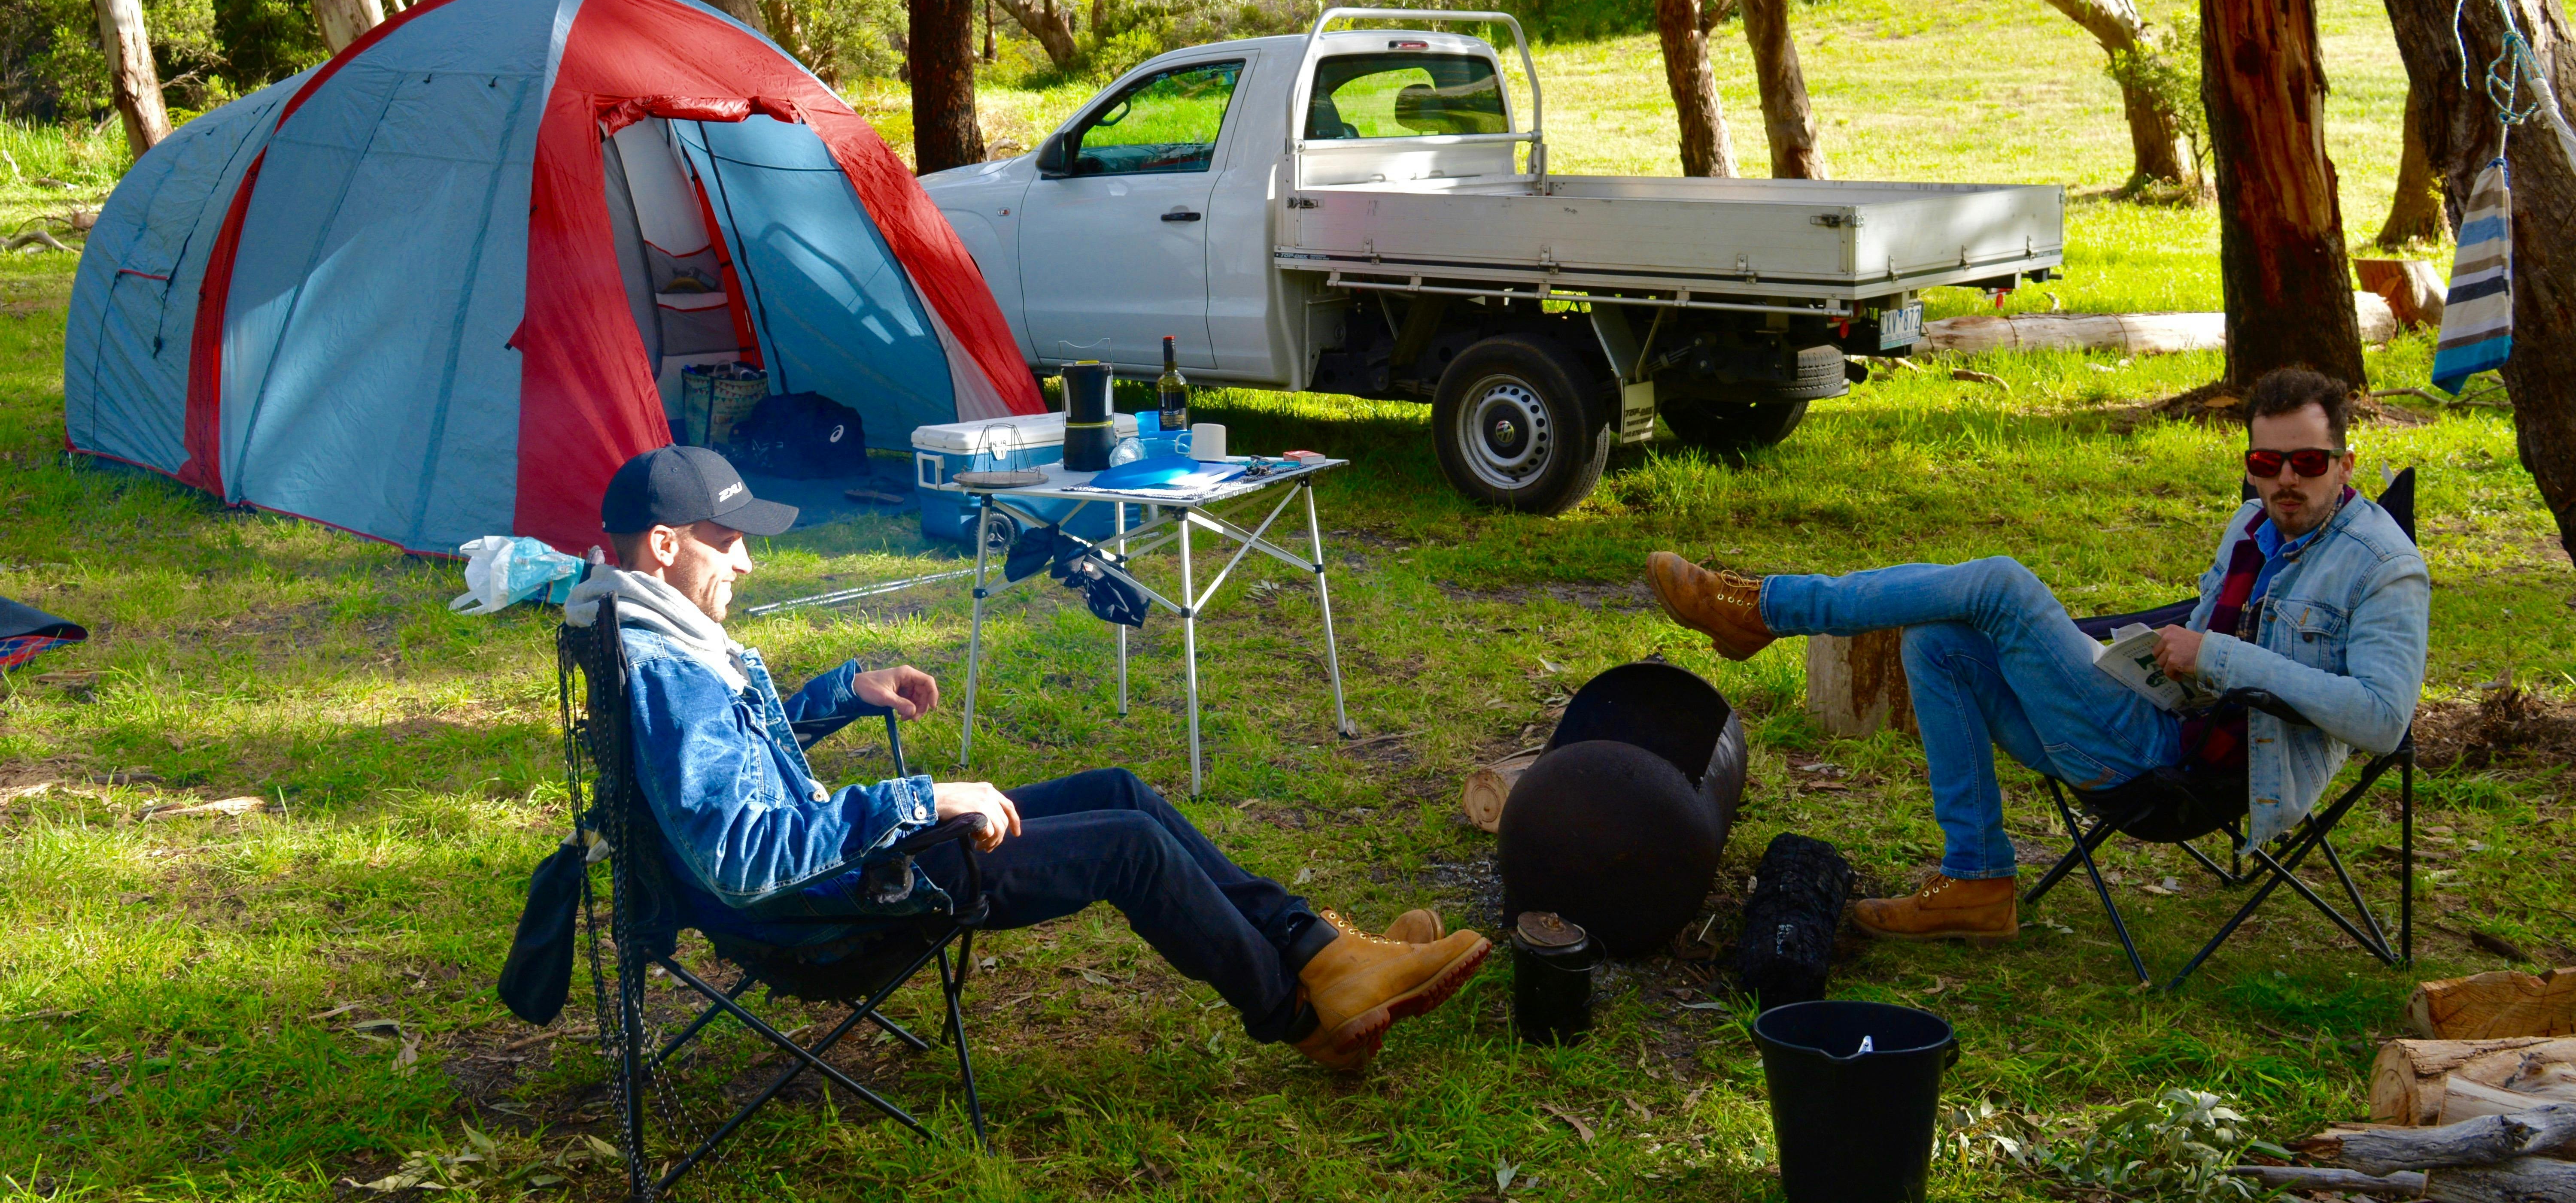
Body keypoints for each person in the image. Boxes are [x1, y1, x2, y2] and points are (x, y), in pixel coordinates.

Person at [564, 443, 1488, 1070]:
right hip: (832, 909)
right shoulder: (668, 671)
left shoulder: (642, 629)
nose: (746, 563)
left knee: (1119, 788)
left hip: (832, 872)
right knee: (1130, 845)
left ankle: (1321, 951)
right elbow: (741, 856)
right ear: (665, 544)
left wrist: (844, 692)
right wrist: (923, 799)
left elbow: (731, 767)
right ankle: (1301, 1013)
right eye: (730, 542)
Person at [1644, 367, 2428, 942]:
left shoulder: (2384, 567)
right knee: (1940, 641)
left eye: (2307, 463)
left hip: (2186, 777)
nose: (2284, 481)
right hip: (2157, 720)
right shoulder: (2252, 526)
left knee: (1999, 585)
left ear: (2346, 464)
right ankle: (1977, 880)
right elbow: (2202, 629)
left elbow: (2384, 719)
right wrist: (2140, 655)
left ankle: (1765, 608)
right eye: (2265, 463)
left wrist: (2220, 659)